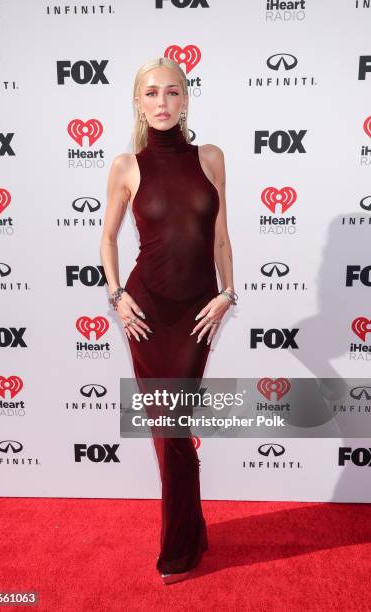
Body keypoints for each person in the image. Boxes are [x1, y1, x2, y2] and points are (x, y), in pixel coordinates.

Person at [100, 57, 237, 584]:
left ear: (186, 99)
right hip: (148, 312)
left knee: (174, 432)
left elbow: (221, 235)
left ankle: (188, 535)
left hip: (198, 312)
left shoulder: (211, 157)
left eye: (172, 93)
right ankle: (183, 543)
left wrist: (228, 292)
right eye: (152, 93)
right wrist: (116, 296)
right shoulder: (125, 166)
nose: (162, 103)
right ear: (138, 100)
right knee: (170, 432)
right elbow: (108, 239)